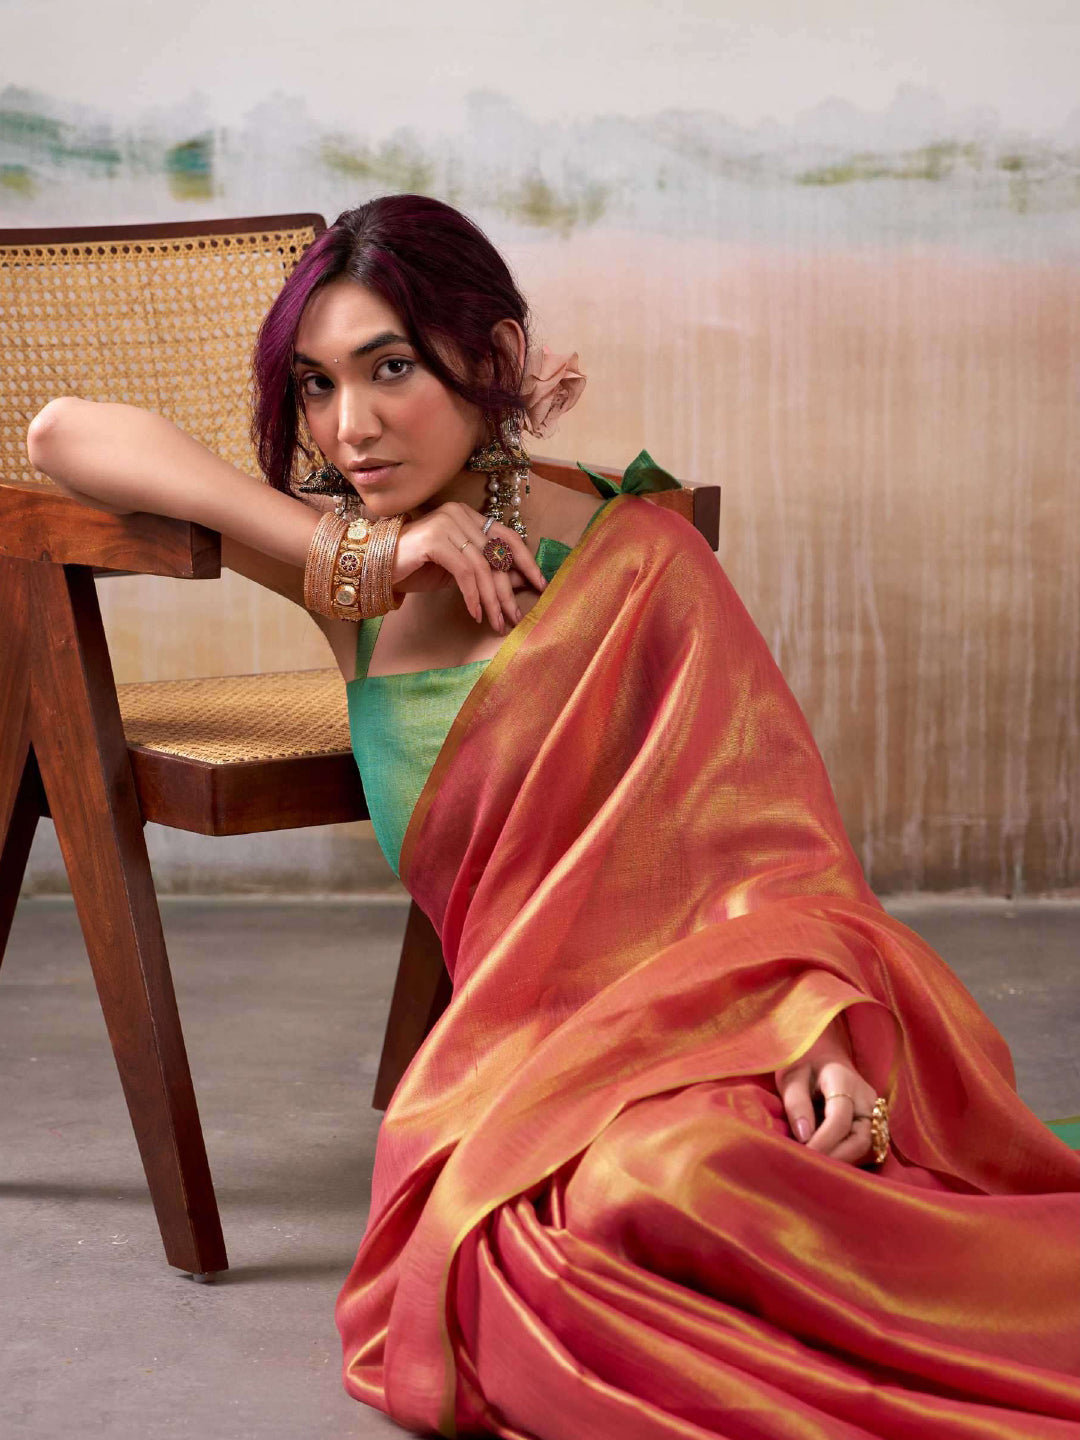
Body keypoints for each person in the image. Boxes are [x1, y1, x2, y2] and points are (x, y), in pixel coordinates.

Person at [27, 195, 1079, 1440]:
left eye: (391, 368)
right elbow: (63, 433)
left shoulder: (642, 553)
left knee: (745, 1167)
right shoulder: (349, 575)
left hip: (722, 1015)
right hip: (532, 1046)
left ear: (497, 358)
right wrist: (357, 557)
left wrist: (814, 1025)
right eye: (316, 385)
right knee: (650, 1194)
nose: (350, 425)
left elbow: (770, 844)